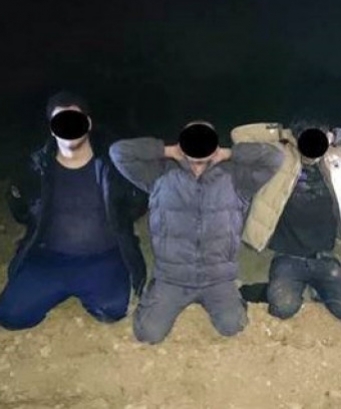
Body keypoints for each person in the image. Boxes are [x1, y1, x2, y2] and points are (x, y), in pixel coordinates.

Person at [109, 121, 283, 344]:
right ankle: (155, 293)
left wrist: (229, 153)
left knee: (233, 326)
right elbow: (118, 152)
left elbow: (274, 158)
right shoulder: (159, 174)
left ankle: (235, 296)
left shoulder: (236, 177)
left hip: (217, 278)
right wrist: (165, 150)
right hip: (172, 278)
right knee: (148, 333)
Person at [0, 91, 148, 330]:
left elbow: (138, 202)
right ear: (52, 128)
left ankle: (95, 286)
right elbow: (20, 208)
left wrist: (122, 226)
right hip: (49, 258)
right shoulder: (36, 168)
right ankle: (46, 285)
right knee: (11, 315)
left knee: (113, 309)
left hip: (102, 256)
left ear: (87, 123)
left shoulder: (113, 164)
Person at [234, 120, 341, 322]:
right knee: (283, 307)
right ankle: (269, 288)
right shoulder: (278, 157)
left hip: (324, 257)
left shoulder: (336, 159)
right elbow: (239, 135)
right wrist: (282, 133)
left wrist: (340, 135)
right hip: (288, 256)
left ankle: (315, 287)